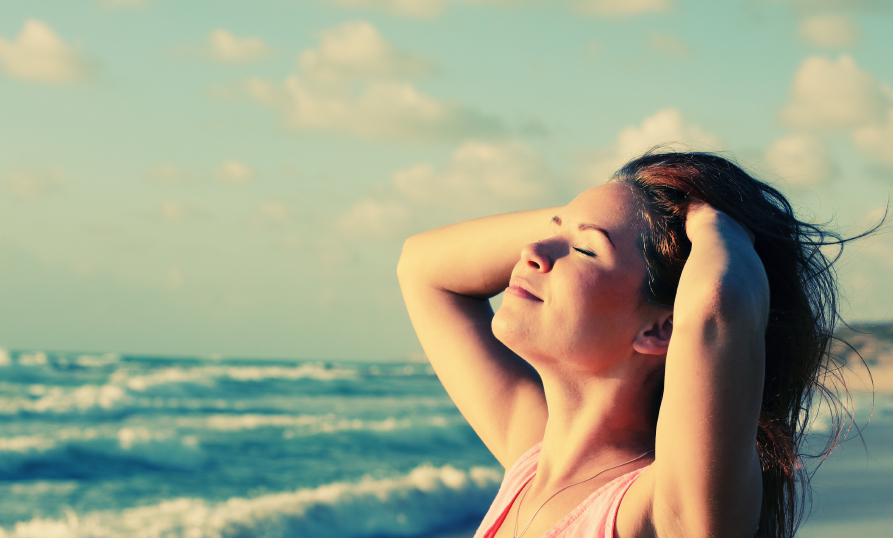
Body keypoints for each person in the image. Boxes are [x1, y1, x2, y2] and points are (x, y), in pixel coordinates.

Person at [397, 151, 866, 538]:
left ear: (662, 329)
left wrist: (713, 218)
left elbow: (719, 304)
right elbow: (421, 265)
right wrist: (596, 215)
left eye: (584, 251)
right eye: (550, 233)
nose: (531, 253)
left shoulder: (658, 510)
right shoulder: (531, 461)